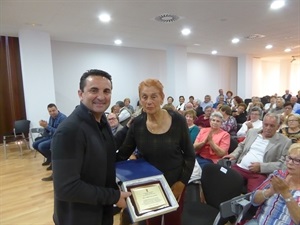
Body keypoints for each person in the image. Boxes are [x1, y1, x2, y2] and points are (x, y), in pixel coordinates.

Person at [51, 69, 131, 225]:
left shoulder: (101, 121)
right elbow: (66, 188)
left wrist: (129, 129)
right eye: (94, 90)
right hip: (78, 217)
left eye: (106, 91)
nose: (101, 97)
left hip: (100, 211)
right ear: (80, 94)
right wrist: (114, 197)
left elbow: (105, 154)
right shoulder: (69, 130)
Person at [116, 78, 195, 225]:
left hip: (175, 181)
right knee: (152, 221)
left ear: (162, 98)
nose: (149, 101)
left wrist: (182, 183)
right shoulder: (137, 123)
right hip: (149, 184)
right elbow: (122, 154)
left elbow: (190, 156)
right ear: (140, 99)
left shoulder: (177, 120)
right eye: (144, 97)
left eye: (154, 96)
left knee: (173, 220)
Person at [223, 113, 292, 192]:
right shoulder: (252, 132)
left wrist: (262, 167)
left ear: (278, 127)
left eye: (272, 126)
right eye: (266, 125)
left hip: (259, 174)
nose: (268, 128)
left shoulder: (285, 141)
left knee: (255, 196)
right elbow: (242, 146)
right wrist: (234, 154)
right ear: (262, 124)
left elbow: (283, 164)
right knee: (224, 185)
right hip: (240, 167)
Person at [244, 143, 300, 225]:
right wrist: (270, 191)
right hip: (258, 222)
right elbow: (253, 200)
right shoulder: (278, 175)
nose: (290, 163)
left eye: (297, 160)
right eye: (289, 158)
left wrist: (286, 194)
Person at [32, 103, 67, 167]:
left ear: (57, 109)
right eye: (50, 111)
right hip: (51, 136)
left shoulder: (62, 118)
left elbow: (58, 132)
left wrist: (47, 126)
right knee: (34, 144)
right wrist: (45, 126)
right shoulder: (51, 117)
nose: (52, 113)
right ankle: (50, 158)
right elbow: (49, 131)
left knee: (41, 146)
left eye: (53, 110)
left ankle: (53, 161)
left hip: (59, 138)